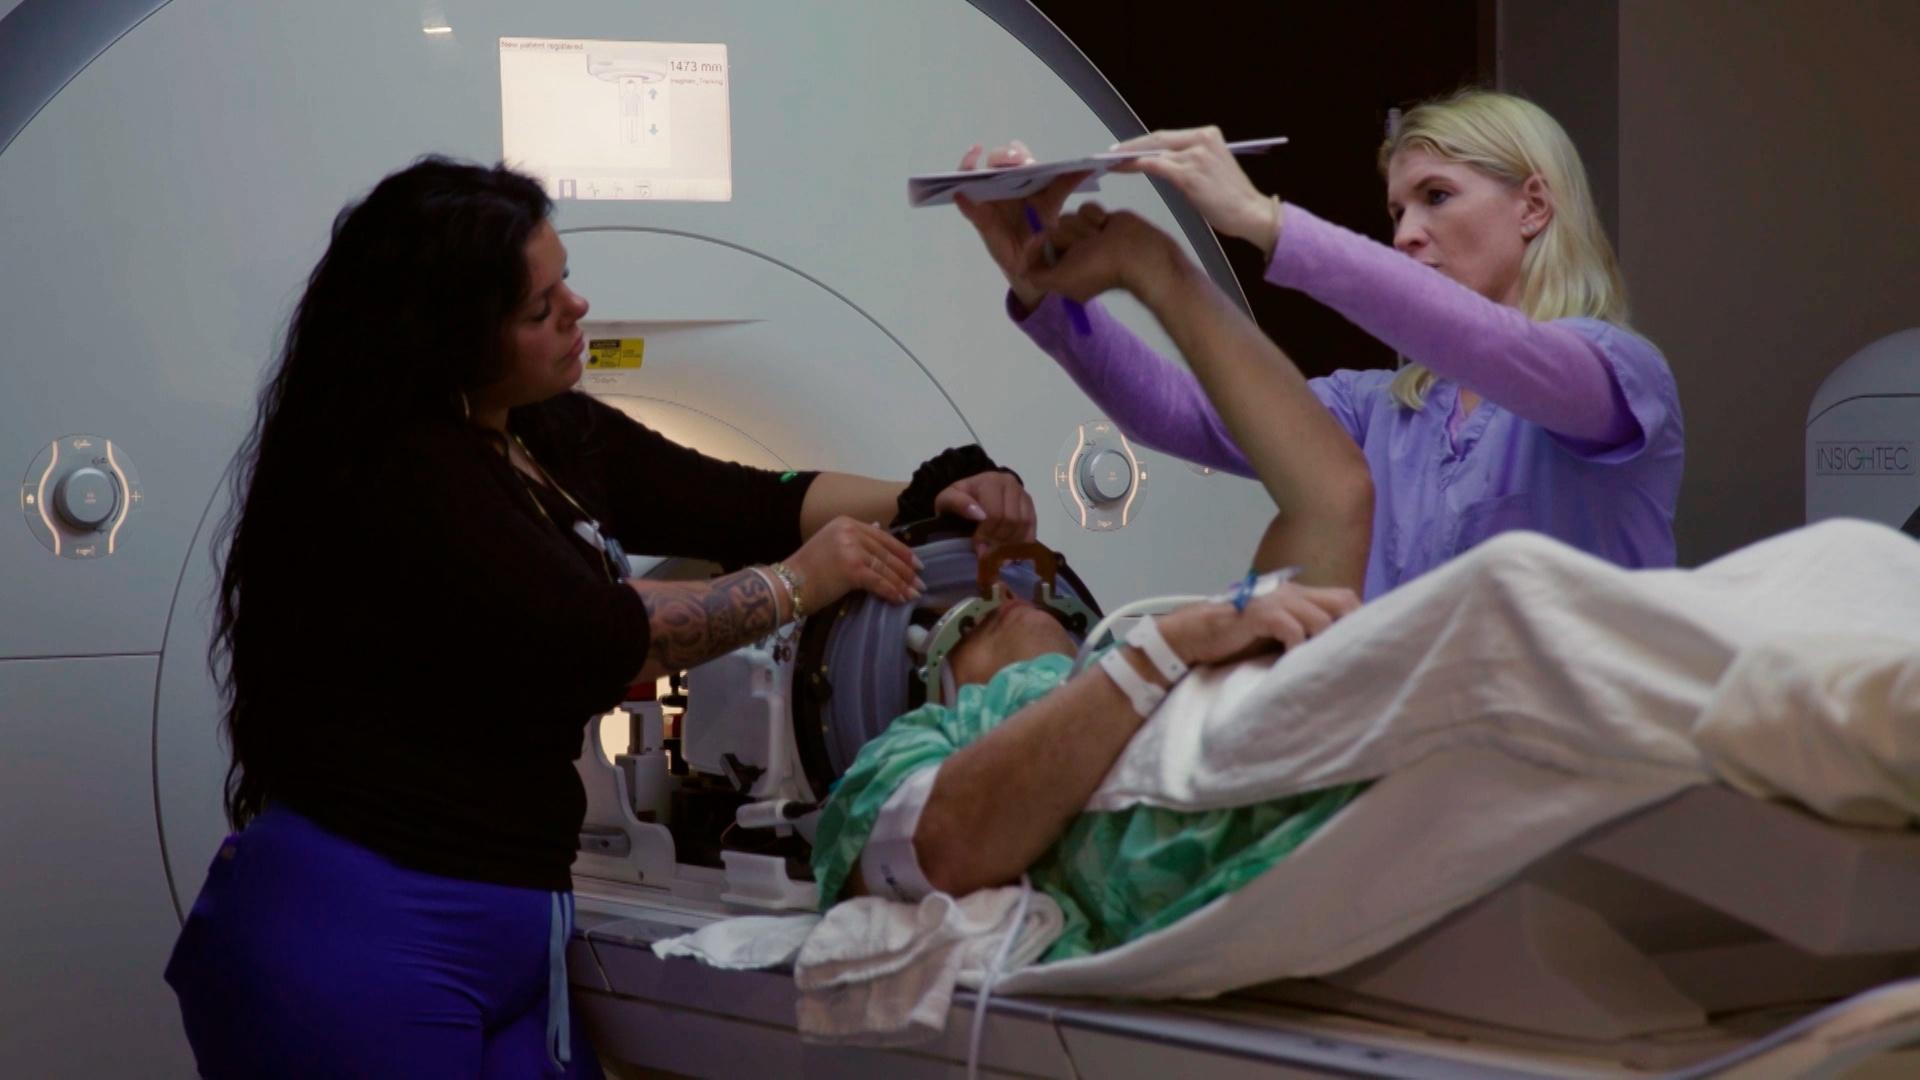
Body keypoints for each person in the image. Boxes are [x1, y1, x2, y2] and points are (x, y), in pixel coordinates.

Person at [162, 157, 1039, 1078]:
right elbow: (591, 634)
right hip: (362, 936)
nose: (576, 310)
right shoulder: (402, 478)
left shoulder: (539, 428)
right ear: (450, 340)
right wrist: (798, 585)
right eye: (540, 310)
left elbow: (737, 499)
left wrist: (939, 496)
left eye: (565, 279)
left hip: (512, 927)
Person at [813, 194, 1377, 960]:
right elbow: (936, 849)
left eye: (1009, 592)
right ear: (941, 684)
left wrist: (1158, 270)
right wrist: (1161, 653)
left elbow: (1336, 496)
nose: (1003, 596)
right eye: (973, 618)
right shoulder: (931, 743)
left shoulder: (1180, 668)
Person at [955, 89, 1683, 598]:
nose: (1403, 233)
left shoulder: (1618, 375)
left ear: (1532, 205)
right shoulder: (1380, 411)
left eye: (1436, 196)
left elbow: (1493, 348)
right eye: (1396, 210)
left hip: (1578, 787)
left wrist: (1262, 220)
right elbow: (1181, 412)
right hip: (1411, 778)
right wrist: (1039, 283)